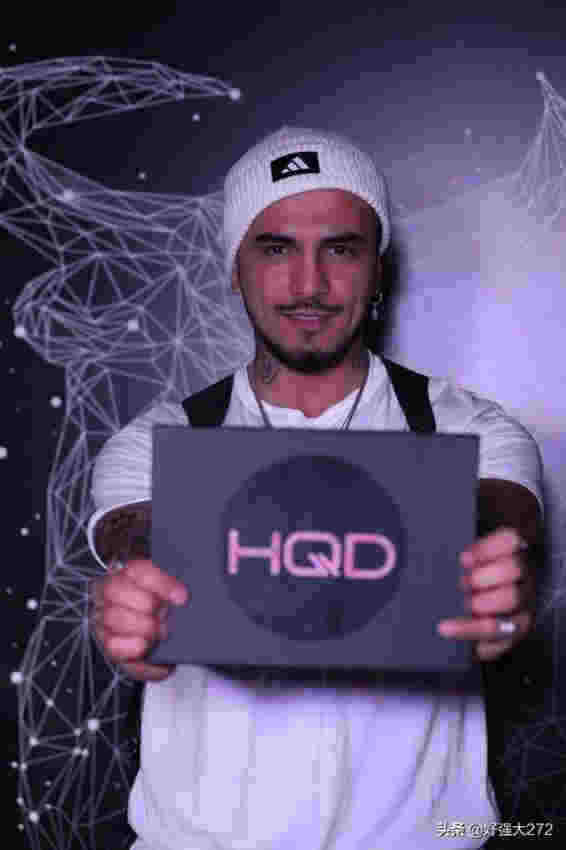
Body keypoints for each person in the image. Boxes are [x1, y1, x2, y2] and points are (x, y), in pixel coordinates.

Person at [88, 127, 543, 849]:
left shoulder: (468, 430)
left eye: (341, 249)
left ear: (378, 269)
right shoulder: (158, 442)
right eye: (276, 250)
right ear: (234, 268)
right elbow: (135, 536)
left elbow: (501, 519)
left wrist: (498, 578)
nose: (309, 285)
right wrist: (135, 592)